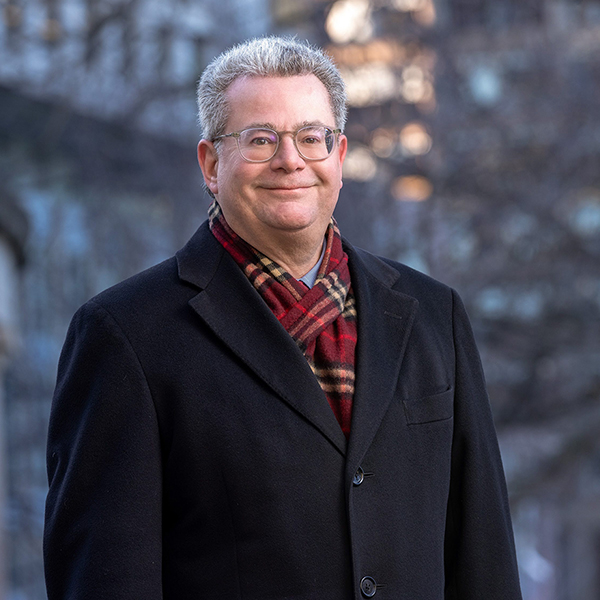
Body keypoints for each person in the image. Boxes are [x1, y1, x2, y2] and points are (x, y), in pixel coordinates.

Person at [44, 36, 522, 600]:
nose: (290, 160)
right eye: (261, 139)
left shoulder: (432, 314)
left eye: (311, 138)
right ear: (210, 163)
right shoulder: (125, 334)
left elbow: (483, 553)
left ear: (339, 157)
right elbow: (106, 580)